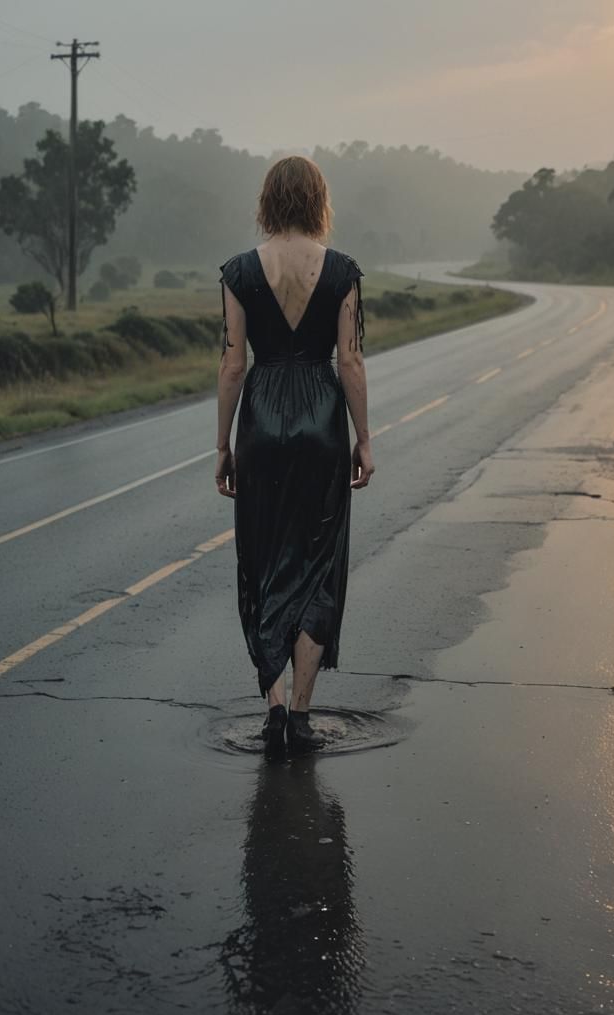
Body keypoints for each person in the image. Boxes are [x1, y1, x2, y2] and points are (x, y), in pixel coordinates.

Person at [215, 155, 374, 755]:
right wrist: (364, 438)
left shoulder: (237, 270)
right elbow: (350, 361)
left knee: (262, 557)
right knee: (318, 565)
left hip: (260, 419)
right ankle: (303, 716)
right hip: (320, 421)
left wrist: (223, 445)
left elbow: (233, 363)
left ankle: (275, 707)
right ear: (317, 201)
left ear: (267, 201)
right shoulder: (342, 270)